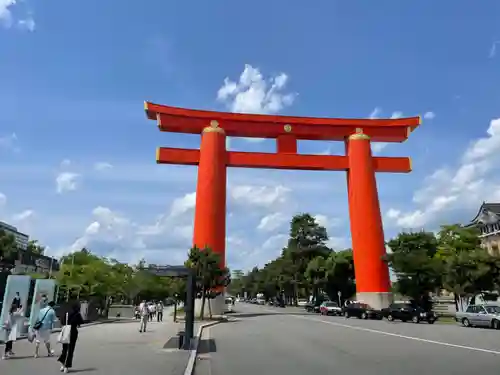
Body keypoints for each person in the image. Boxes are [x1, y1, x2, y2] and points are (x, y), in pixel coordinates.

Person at [58, 303, 84, 373]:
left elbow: (62, 321)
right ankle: (66, 366)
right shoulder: (77, 314)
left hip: (65, 331)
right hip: (72, 332)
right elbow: (81, 321)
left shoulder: (66, 313)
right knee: (70, 350)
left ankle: (62, 365)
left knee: (64, 349)